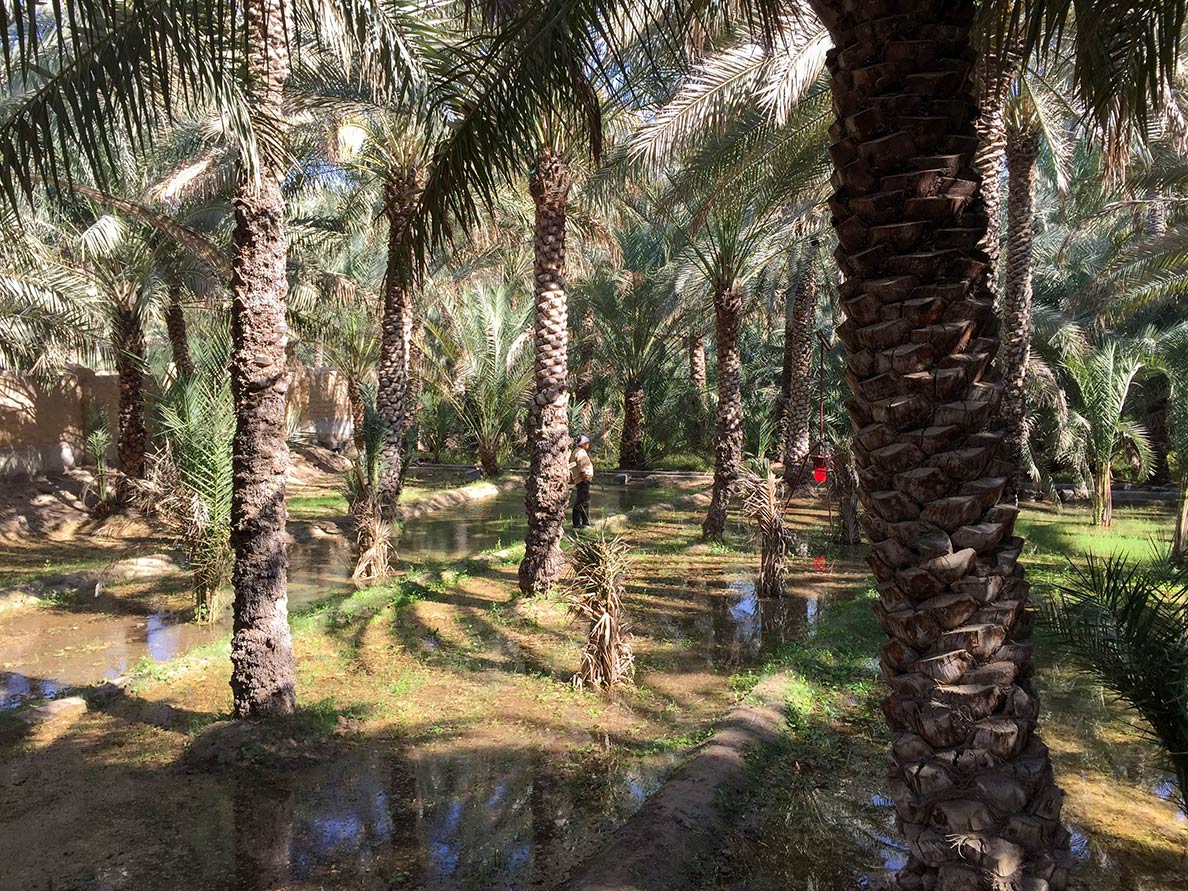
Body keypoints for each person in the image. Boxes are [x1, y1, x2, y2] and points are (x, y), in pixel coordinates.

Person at [570, 434, 594, 528]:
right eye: (587, 443)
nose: (588, 444)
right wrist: (584, 478)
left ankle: (585, 522)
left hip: (582, 480)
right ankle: (576, 523)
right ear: (583, 444)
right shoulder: (581, 453)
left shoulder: (578, 451)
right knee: (581, 500)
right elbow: (582, 466)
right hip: (582, 480)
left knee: (585, 501)